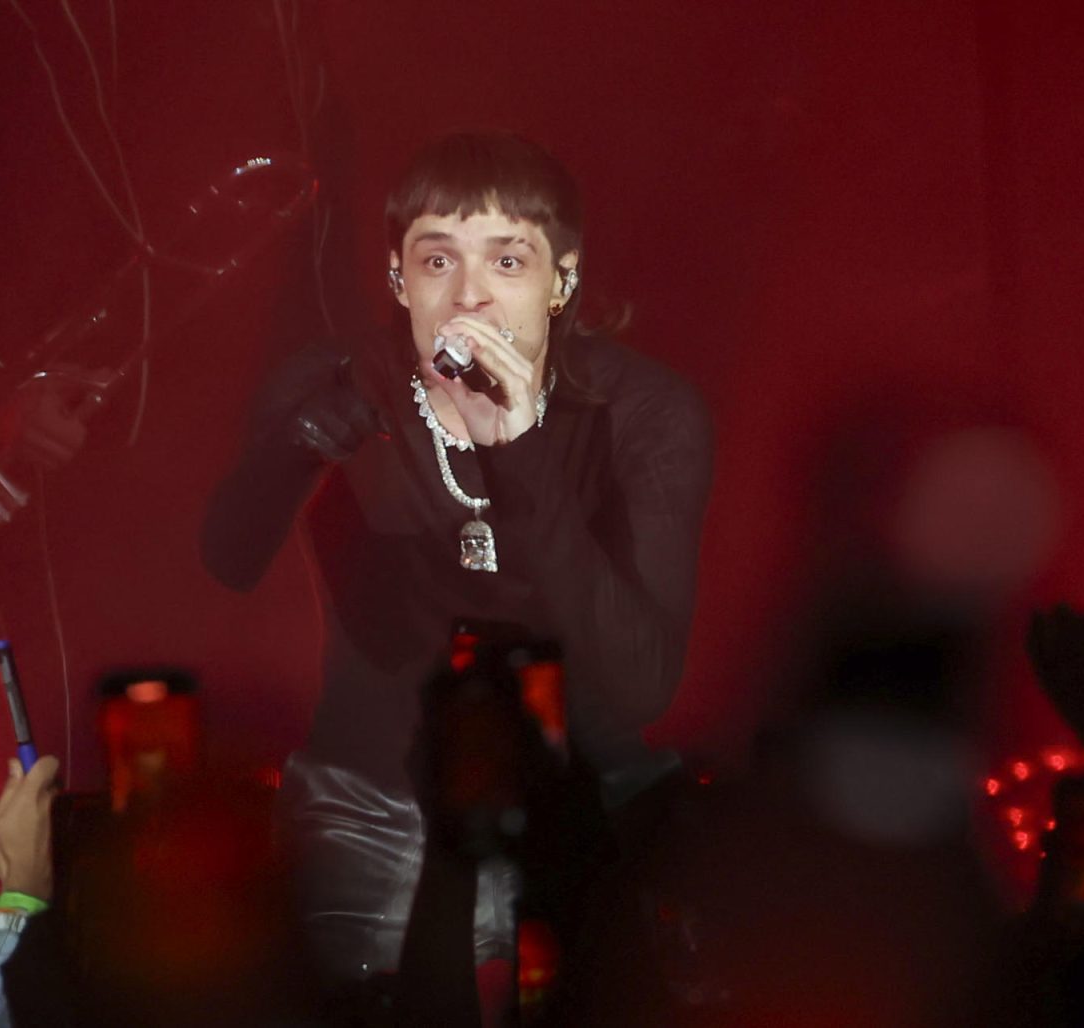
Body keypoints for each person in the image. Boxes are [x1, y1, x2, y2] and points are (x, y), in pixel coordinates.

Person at [201, 131, 714, 992]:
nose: (469, 296)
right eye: (438, 260)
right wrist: (314, 433)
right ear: (400, 278)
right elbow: (227, 560)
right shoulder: (334, 386)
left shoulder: (644, 412)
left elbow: (645, 685)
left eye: (508, 261)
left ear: (563, 283)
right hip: (373, 794)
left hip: (585, 780)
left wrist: (519, 455)